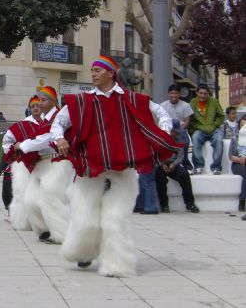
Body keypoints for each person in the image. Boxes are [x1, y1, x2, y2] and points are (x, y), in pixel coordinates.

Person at [52, 55, 177, 277]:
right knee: (85, 215)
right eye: (92, 71)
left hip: (123, 168)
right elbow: (59, 122)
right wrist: (59, 138)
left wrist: (162, 135)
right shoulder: (82, 101)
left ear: (111, 73)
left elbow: (162, 114)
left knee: (116, 218)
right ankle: (84, 252)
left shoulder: (132, 99)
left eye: (97, 70)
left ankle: (117, 264)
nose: (93, 74)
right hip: (90, 166)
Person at [17, 86, 74, 245]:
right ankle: (45, 228)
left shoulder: (58, 115)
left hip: (58, 161)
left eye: (44, 100)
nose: (40, 103)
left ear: (53, 101)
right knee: (30, 198)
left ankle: (63, 234)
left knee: (52, 196)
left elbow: (47, 138)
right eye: (39, 100)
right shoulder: (44, 118)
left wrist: (23, 145)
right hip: (42, 162)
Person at [2, 95, 42, 230]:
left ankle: (42, 221)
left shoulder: (50, 122)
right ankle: (24, 221)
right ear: (29, 109)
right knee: (23, 193)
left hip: (45, 163)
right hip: (25, 164)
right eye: (33, 106)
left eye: (38, 105)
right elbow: (6, 141)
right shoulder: (21, 125)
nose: (36, 108)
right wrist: (15, 151)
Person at [155, 119, 200, 214]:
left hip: (173, 164)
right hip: (161, 164)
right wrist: (162, 164)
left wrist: (174, 164)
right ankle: (164, 205)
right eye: (175, 132)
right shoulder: (160, 139)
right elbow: (156, 155)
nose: (177, 134)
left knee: (184, 175)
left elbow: (181, 155)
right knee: (159, 176)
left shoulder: (180, 140)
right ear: (170, 131)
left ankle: (190, 203)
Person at [189, 83, 225, 175]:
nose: (203, 95)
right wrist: (197, 127)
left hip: (213, 129)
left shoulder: (214, 101)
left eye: (205, 93)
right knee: (195, 138)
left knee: (219, 139)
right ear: (197, 93)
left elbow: (221, 116)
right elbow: (190, 119)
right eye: (201, 93)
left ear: (208, 94)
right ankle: (198, 166)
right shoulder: (192, 103)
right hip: (200, 130)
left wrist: (215, 125)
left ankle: (216, 167)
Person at [160, 84, 194, 171]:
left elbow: (187, 121)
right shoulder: (163, 106)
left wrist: (178, 130)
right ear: (168, 94)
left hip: (181, 131)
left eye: (176, 93)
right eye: (171, 93)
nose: (174, 96)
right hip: (167, 131)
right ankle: (165, 163)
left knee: (184, 141)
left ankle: (186, 164)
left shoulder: (185, 105)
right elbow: (160, 120)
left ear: (179, 94)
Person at [228, 114, 246, 213]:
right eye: (242, 126)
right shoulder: (235, 138)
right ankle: (242, 200)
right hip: (237, 164)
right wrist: (242, 160)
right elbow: (230, 156)